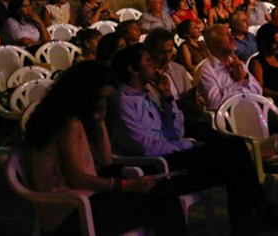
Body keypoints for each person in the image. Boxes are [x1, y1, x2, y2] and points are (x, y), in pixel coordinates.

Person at [107, 45, 278, 235]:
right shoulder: (123, 102)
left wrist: (168, 98)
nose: (154, 64)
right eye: (147, 60)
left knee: (236, 163)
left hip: (174, 157)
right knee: (236, 153)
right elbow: (145, 148)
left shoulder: (149, 94)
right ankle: (260, 216)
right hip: (156, 167)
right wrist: (188, 145)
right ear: (133, 69)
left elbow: (176, 132)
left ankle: (252, 223)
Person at [23, 61, 190, 235]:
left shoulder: (76, 117)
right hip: (70, 210)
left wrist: (99, 120)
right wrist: (127, 185)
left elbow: (106, 160)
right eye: (100, 98)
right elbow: (77, 178)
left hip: (84, 200)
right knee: (164, 204)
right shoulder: (67, 122)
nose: (103, 103)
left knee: (164, 197)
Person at [196, 24, 262, 111]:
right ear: (213, 42)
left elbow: (258, 91)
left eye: (230, 33)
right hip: (230, 118)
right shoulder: (207, 69)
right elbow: (214, 103)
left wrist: (245, 76)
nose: (232, 37)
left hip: (253, 109)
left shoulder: (236, 62)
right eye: (226, 35)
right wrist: (239, 82)